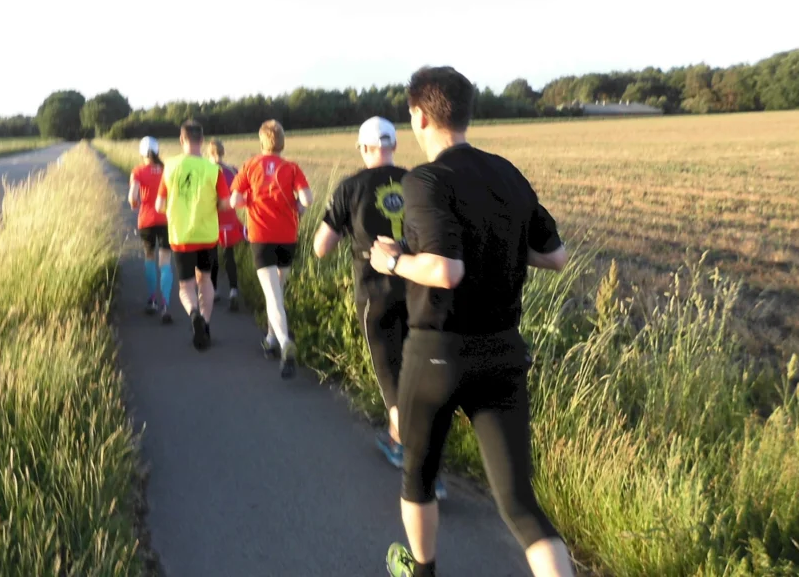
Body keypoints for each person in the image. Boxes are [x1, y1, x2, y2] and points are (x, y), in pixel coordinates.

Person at [370, 66, 575, 577]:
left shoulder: (425, 179)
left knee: (418, 477)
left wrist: (392, 261)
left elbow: (445, 270)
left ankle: (421, 571)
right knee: (520, 504)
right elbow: (555, 256)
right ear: (466, 113)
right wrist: (499, 248)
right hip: (503, 350)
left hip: (437, 352)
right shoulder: (507, 173)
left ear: (419, 116)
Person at [311, 117, 448, 500]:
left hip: (376, 295)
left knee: (392, 384)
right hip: (420, 291)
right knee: (417, 374)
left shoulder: (350, 187)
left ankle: (427, 472)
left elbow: (321, 247)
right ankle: (397, 441)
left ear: (363, 148)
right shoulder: (418, 182)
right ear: (395, 145)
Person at [230, 120, 312, 379]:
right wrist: (299, 209)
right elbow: (307, 199)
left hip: (262, 237)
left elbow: (234, 200)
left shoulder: (250, 165)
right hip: (287, 237)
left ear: (262, 141)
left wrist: (250, 201)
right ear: (282, 141)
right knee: (276, 292)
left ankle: (286, 342)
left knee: (273, 295)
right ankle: (270, 339)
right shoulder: (292, 168)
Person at [156, 120, 231, 351]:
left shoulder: (170, 167)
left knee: (186, 286)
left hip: (181, 236)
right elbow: (225, 204)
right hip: (207, 235)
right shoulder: (213, 170)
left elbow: (159, 205)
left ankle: (193, 314)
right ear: (202, 140)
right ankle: (205, 324)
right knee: (205, 280)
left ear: (182, 139)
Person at [128, 136, 173, 323]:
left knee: (149, 257)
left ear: (141, 153)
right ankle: (165, 304)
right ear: (157, 150)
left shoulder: (138, 171)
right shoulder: (166, 169)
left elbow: (132, 197)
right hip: (166, 219)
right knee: (165, 260)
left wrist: (136, 204)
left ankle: (152, 299)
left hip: (146, 220)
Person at [206, 138, 244, 311]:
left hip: (213, 219)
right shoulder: (233, 170)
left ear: (209, 153)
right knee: (229, 257)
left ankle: (214, 290)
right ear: (223, 152)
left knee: (213, 256)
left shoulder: (207, 171)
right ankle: (234, 290)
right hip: (230, 220)